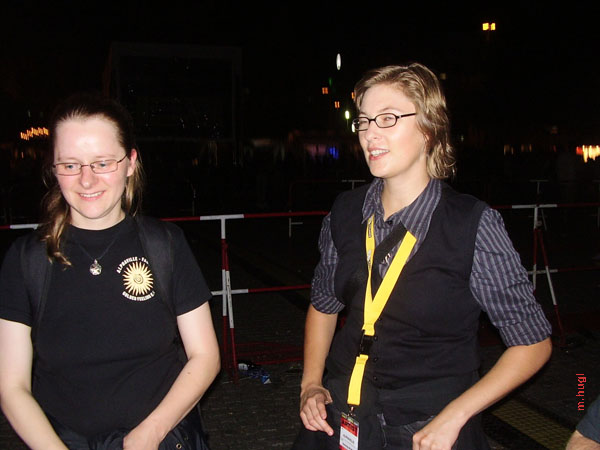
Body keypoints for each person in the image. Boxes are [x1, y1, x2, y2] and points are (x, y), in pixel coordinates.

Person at [293, 63, 553, 450]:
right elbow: (323, 305)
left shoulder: (470, 224)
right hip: (344, 416)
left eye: (388, 118)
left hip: (431, 427)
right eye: (364, 121)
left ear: (429, 128)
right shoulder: (345, 212)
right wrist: (311, 384)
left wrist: (457, 414)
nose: (370, 134)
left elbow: (533, 343)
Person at [0, 93, 220, 449]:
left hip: (159, 438)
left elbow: (205, 356)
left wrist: (149, 434)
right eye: (70, 165)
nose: (86, 181)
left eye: (102, 163)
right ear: (53, 168)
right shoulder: (27, 260)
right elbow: (12, 386)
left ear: (130, 163)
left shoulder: (165, 245)